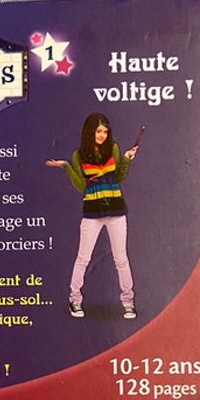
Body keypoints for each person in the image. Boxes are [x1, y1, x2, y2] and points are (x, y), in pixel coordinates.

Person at [46, 113, 138, 319]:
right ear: (90, 132)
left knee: (121, 259)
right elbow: (81, 186)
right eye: (98, 131)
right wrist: (66, 167)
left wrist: (126, 159)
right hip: (92, 213)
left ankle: (128, 302)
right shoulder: (78, 155)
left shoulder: (113, 148)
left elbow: (119, 177)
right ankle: (75, 300)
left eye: (105, 131)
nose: (102, 135)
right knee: (83, 258)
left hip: (116, 210)